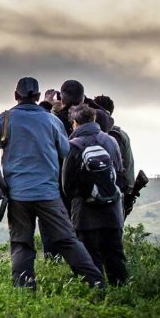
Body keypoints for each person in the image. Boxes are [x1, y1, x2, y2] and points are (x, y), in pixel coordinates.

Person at [0, 76, 104, 289]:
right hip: (48, 194)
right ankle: (96, 283)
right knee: (67, 240)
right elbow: (66, 151)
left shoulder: (5, 119)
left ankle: (25, 292)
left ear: (16, 95)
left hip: (18, 196)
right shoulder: (51, 120)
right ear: (37, 97)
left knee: (21, 244)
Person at [61, 104, 128, 286]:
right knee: (115, 255)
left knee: (90, 259)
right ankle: (122, 295)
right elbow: (119, 172)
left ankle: (97, 295)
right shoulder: (111, 141)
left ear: (74, 123)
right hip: (112, 209)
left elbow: (67, 185)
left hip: (85, 213)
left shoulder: (72, 146)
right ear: (94, 120)